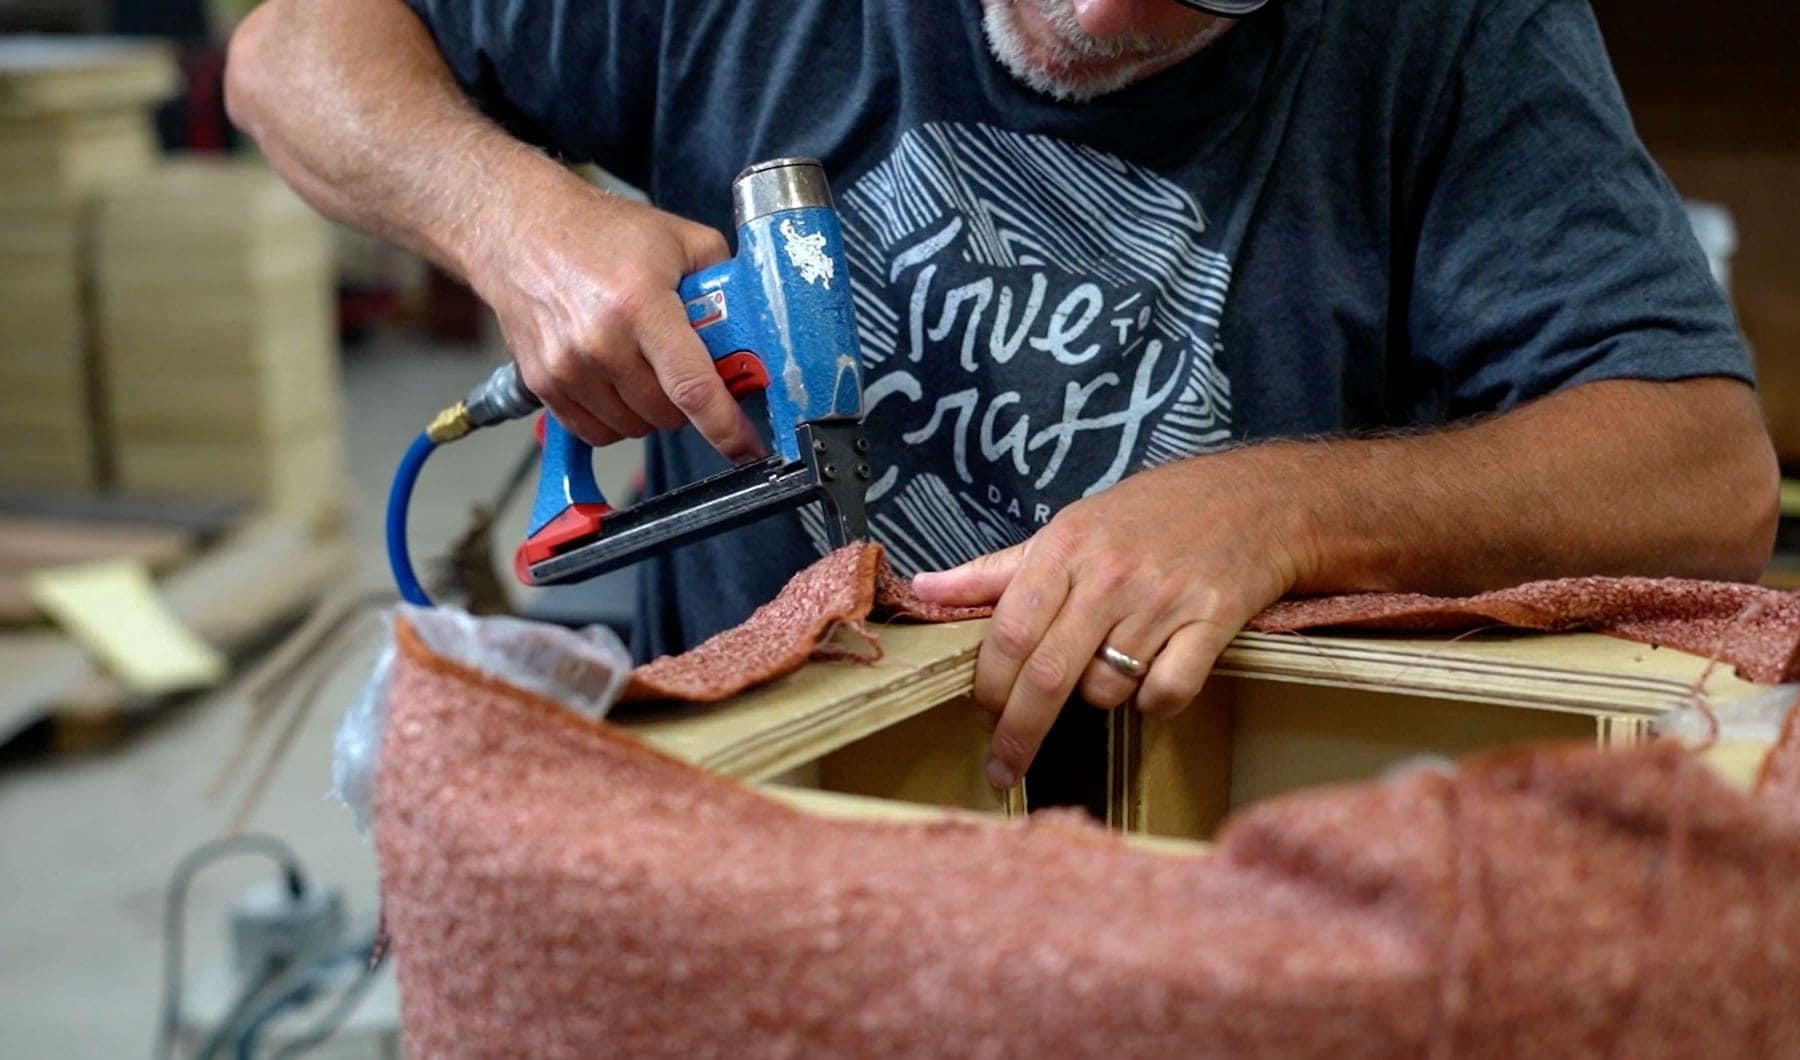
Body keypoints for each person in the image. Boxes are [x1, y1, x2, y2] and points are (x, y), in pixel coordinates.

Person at [227, 0, 1778, 793]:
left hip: (1209, 829)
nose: (1104, 12)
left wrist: (1286, 507)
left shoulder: (1450, 32)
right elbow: (293, 50)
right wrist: (512, 223)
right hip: (761, 784)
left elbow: (1705, 472)